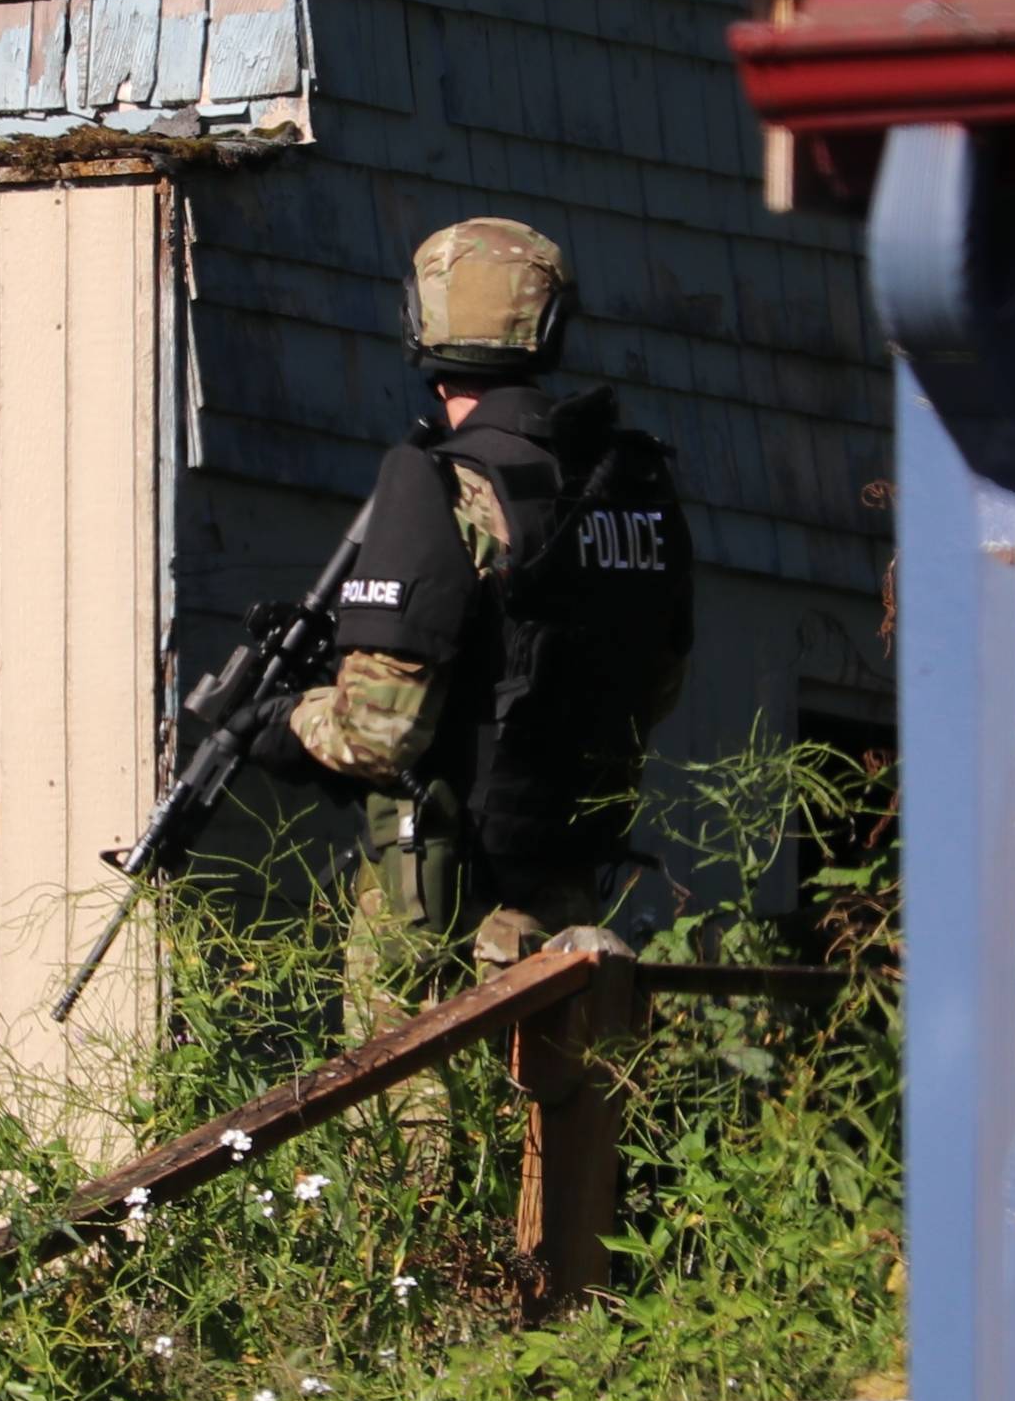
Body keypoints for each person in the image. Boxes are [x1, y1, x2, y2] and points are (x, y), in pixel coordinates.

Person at [227, 218, 695, 1178]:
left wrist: (281, 726)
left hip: (441, 904)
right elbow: (661, 682)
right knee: (560, 1162)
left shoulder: (441, 486)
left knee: (419, 1161)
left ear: (422, 323)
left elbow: (377, 734)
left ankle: (440, 1308)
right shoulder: (632, 486)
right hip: (570, 882)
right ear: (550, 324)